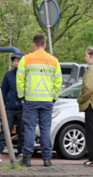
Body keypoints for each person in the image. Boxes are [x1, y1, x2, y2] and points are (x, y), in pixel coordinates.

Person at [17, 33, 61, 167]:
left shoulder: (26, 59)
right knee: (45, 129)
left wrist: (21, 96)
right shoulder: (53, 60)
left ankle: (27, 158)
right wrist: (54, 97)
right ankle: (47, 158)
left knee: (29, 128)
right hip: (47, 100)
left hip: (30, 99)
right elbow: (58, 81)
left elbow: (20, 80)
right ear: (45, 45)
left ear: (34, 45)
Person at [0, 52, 24, 163]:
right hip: (10, 108)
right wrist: (4, 102)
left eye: (18, 61)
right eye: (15, 61)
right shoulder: (9, 75)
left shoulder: (26, 75)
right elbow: (3, 89)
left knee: (22, 132)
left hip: (22, 108)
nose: (16, 63)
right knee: (5, 130)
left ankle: (21, 154)